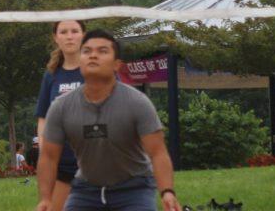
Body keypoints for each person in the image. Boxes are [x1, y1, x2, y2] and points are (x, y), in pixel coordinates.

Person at [35, 30, 180, 211]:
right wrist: (46, 198)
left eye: (102, 51)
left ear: (117, 65)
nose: (93, 55)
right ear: (80, 60)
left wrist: (167, 191)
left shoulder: (137, 102)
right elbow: (48, 157)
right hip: (86, 189)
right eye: (86, 51)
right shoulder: (61, 106)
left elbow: (158, 153)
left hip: (134, 188)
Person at [35, 20, 86, 211]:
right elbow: (43, 117)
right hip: (61, 163)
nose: (70, 36)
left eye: (75, 31)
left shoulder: (97, 68)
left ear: (83, 35)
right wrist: (45, 150)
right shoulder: (51, 75)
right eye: (64, 32)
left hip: (96, 162)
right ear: (56, 38)